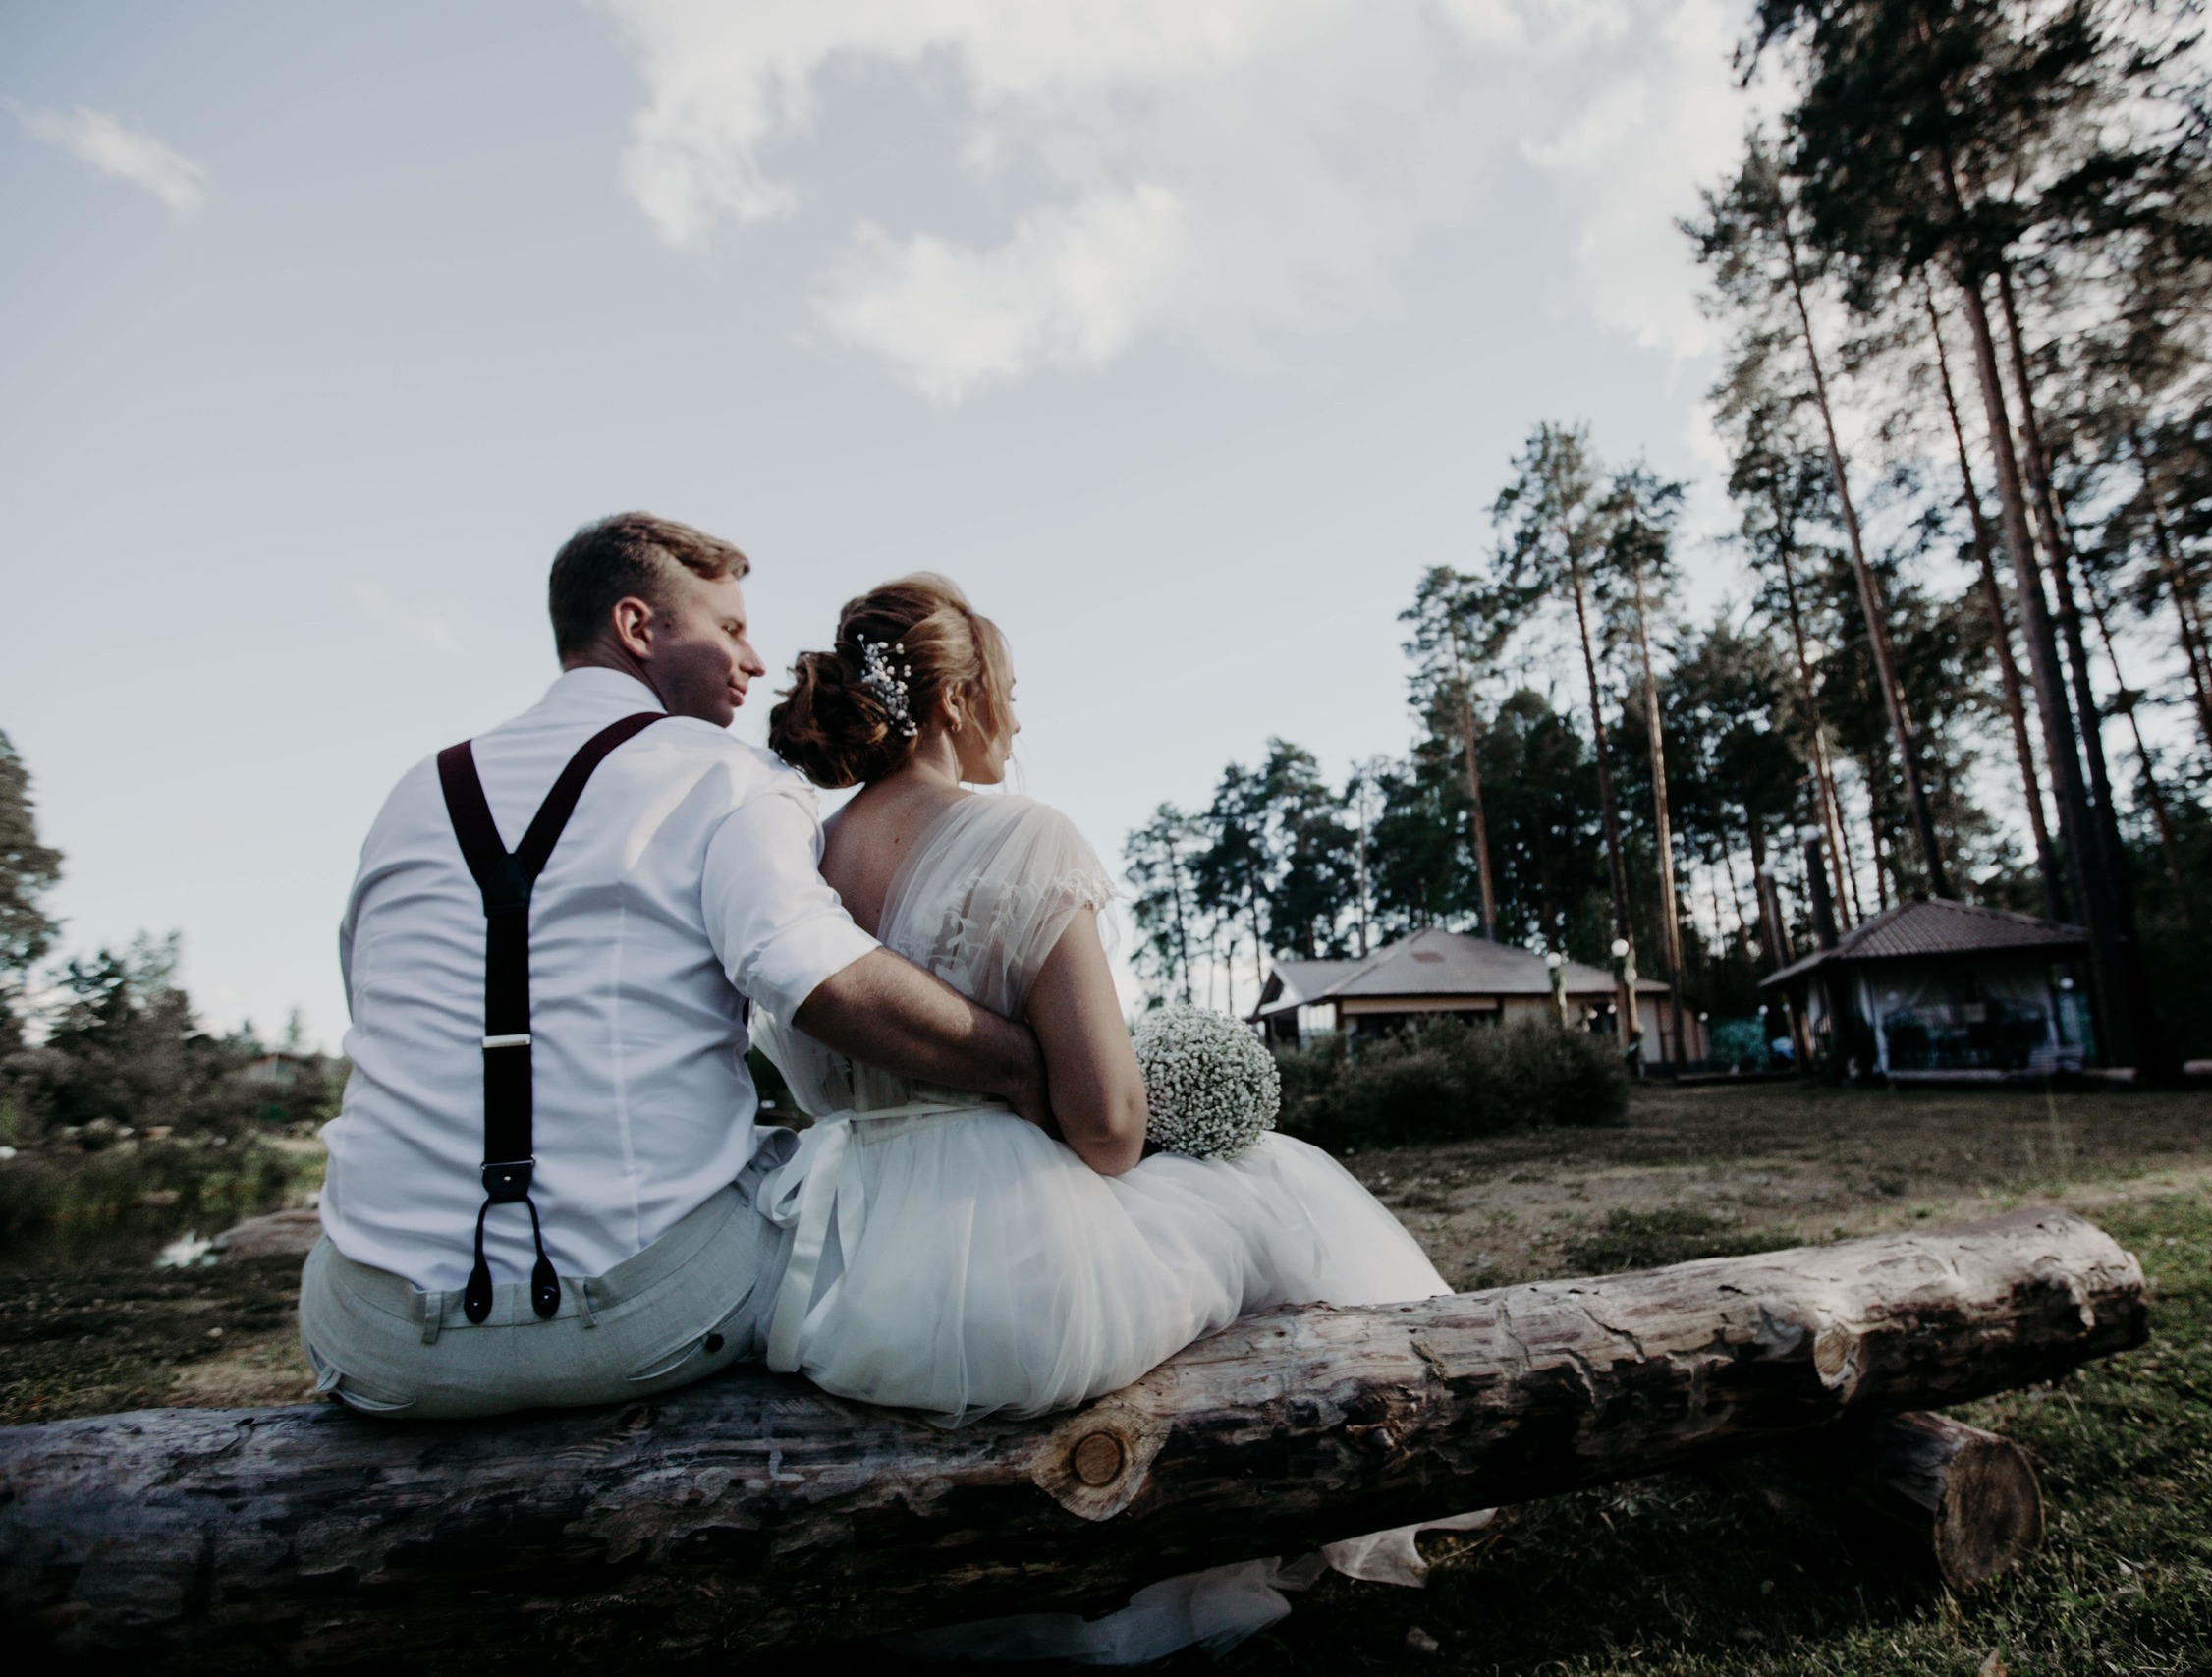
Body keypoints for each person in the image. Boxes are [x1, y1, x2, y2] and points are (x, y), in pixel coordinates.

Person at [747, 574, 1480, 1662]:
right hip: (1016, 1265)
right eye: (1006, 686)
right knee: (1275, 1183)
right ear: (952, 703)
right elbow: (1105, 1128)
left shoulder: (799, 859)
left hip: (841, 1276)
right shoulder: (1024, 839)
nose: (1019, 715)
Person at [299, 515, 1051, 1421]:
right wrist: (1016, 1062)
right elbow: (810, 971)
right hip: (644, 1317)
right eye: (728, 627)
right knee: (851, 1175)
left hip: (375, 1336)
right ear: (637, 627)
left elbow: (369, 998)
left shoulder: (415, 792)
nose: (755, 658)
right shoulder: (725, 777)